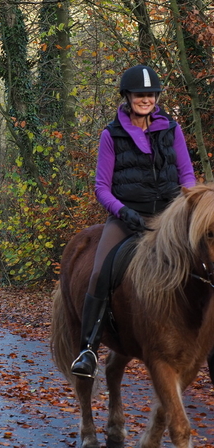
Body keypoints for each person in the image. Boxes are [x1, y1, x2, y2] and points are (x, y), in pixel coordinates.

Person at [70, 65, 196, 378]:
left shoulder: (172, 129)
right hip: (127, 216)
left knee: (205, 262)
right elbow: (101, 187)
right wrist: (123, 211)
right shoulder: (111, 135)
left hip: (170, 216)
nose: (145, 99)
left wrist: (191, 208)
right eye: (140, 94)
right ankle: (88, 349)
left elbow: (187, 175)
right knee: (100, 271)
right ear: (128, 97)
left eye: (151, 94)